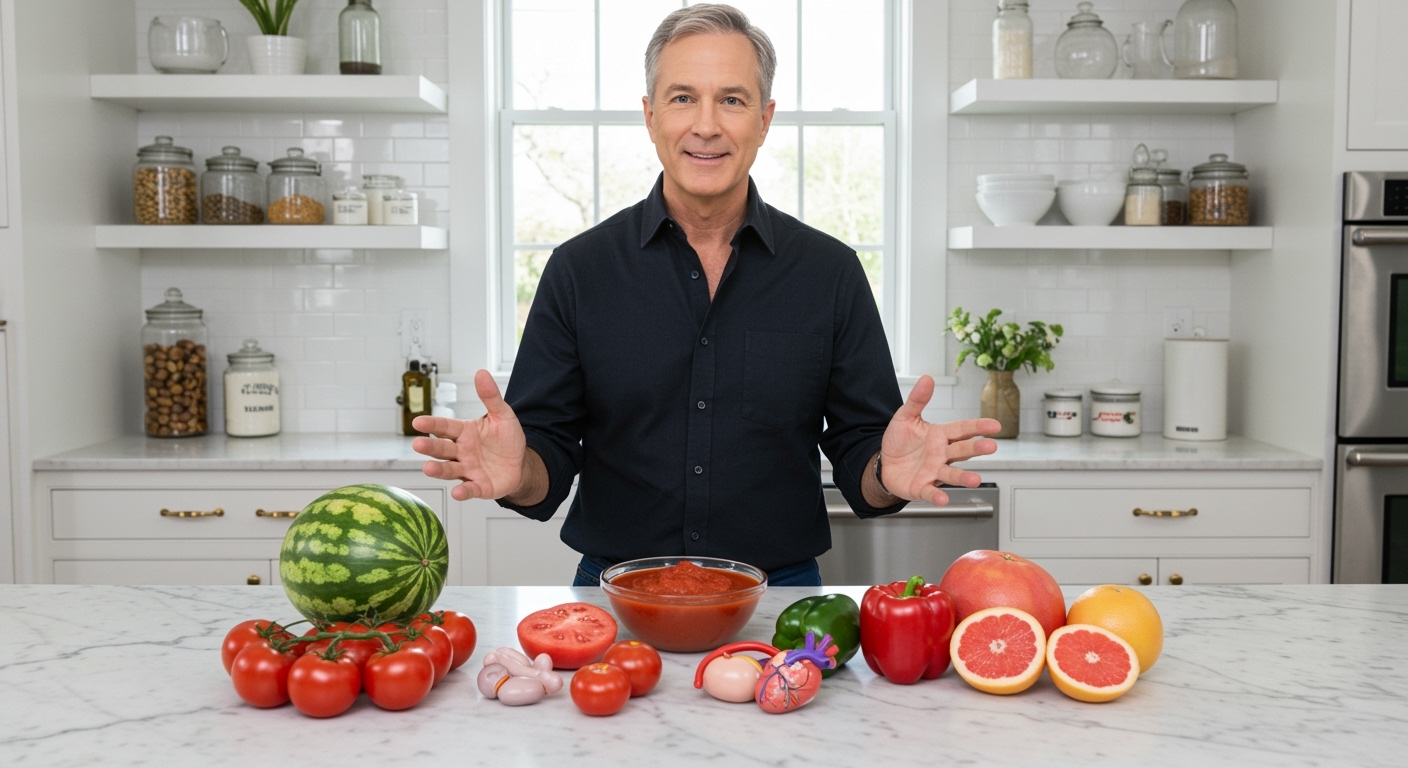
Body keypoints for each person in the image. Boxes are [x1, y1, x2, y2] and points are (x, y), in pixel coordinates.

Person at [411, 3, 1000, 588]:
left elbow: (862, 451)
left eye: (733, 100)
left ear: (765, 120)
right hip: (616, 592)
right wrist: (518, 473)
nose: (707, 125)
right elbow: (546, 456)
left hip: (781, 595)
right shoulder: (578, 270)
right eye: (683, 97)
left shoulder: (831, 272)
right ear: (649, 115)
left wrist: (884, 475)